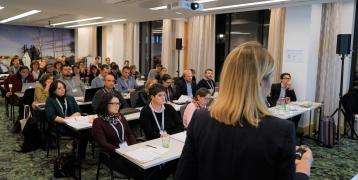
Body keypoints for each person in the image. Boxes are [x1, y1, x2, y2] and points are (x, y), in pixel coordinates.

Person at [175, 42, 313, 180]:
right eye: (270, 77)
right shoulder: (281, 130)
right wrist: (303, 168)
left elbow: (184, 174)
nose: (271, 83)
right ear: (260, 82)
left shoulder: (201, 119)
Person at [92, 93, 141, 179]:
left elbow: (129, 133)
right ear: (105, 104)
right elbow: (103, 143)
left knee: (148, 166)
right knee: (139, 171)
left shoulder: (120, 116)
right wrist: (119, 151)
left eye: (118, 103)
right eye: (114, 103)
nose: (117, 106)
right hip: (113, 155)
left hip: (127, 151)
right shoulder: (98, 122)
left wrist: (133, 147)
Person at [45, 80, 89, 161]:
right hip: (59, 126)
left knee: (86, 132)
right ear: (53, 90)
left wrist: (70, 119)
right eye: (59, 88)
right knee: (82, 134)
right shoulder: (50, 100)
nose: (62, 90)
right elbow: (52, 116)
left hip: (72, 123)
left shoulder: (70, 98)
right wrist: (66, 120)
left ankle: (79, 155)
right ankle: (78, 157)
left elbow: (78, 112)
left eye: (63, 88)